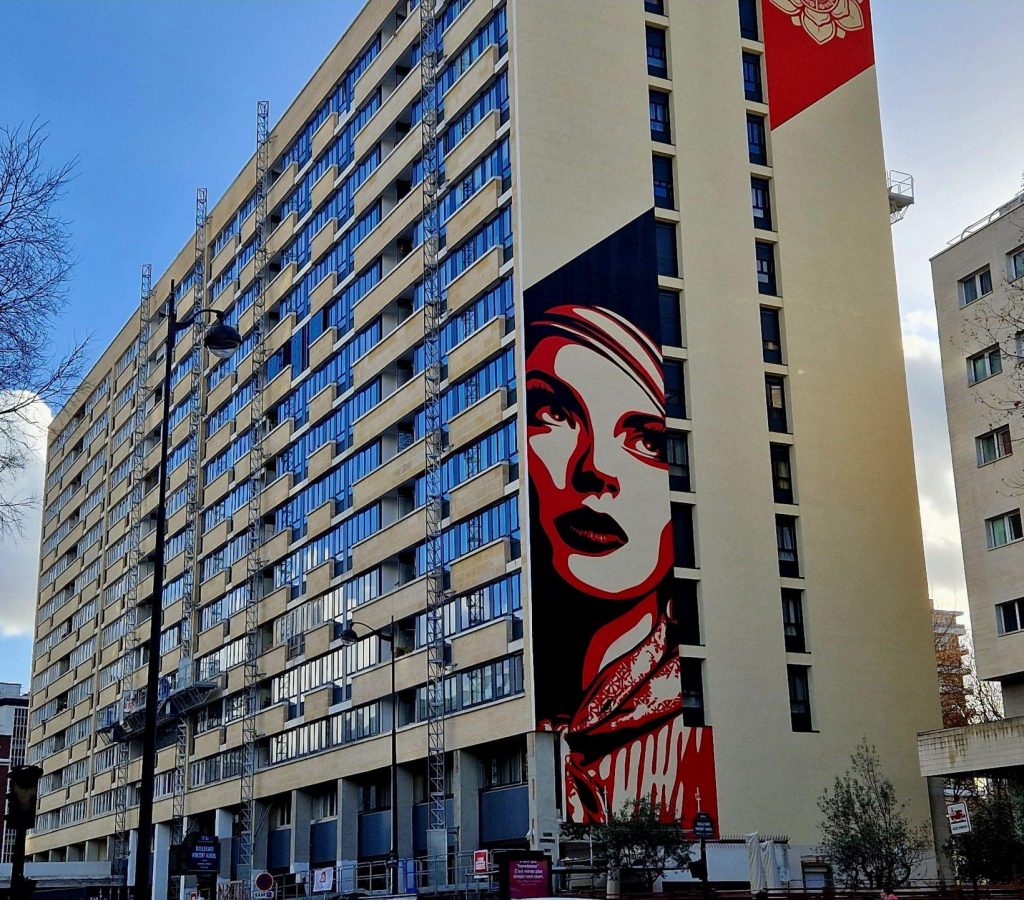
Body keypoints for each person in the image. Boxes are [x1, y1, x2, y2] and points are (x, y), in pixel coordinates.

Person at [527, 304, 716, 824]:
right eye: (555, 413)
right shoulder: (538, 699)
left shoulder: (682, 725)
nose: (594, 469)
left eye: (647, 440)